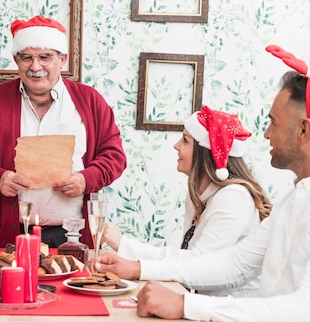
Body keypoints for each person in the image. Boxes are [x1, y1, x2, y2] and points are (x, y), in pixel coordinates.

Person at [93, 26, 310, 322]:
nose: (266, 133)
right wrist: (139, 268)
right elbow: (234, 262)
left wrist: (188, 305)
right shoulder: (296, 197)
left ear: (304, 130)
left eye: (273, 122)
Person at [0, 15, 127, 248]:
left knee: (73, 285)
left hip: (73, 235)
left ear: (62, 59)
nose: (35, 67)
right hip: (9, 233)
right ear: (17, 60)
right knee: (5, 285)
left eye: (45, 57)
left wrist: (87, 180)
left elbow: (115, 156)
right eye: (27, 57)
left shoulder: (90, 101)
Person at [101, 106, 272, 297]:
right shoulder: (199, 195)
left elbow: (199, 263)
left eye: (185, 140)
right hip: (202, 302)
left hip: (230, 313)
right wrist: (127, 250)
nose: (176, 145)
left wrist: (130, 254)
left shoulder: (233, 198)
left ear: (206, 152)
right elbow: (187, 258)